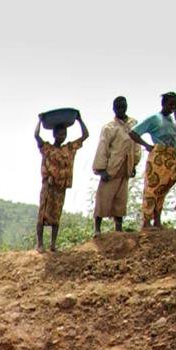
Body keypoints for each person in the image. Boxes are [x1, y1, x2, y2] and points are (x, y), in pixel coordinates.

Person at [35, 117, 90, 251]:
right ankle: (40, 244)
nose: (62, 136)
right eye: (60, 134)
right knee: (43, 214)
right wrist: (40, 121)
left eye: (64, 134)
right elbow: (36, 135)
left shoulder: (69, 148)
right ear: (54, 134)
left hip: (60, 186)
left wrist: (79, 119)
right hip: (49, 185)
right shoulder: (47, 148)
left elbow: (85, 135)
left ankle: (53, 244)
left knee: (56, 215)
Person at [132, 93, 176, 229]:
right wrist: (147, 145)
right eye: (170, 104)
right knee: (152, 187)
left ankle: (157, 220)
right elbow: (133, 132)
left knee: (165, 187)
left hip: (171, 156)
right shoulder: (155, 118)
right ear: (163, 104)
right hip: (158, 156)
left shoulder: (172, 122)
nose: (172, 107)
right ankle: (146, 221)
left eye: (175, 105)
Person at [92, 97, 144, 233]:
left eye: (123, 106)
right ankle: (97, 229)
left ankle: (118, 229)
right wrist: (101, 169)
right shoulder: (109, 127)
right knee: (104, 197)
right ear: (114, 108)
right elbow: (102, 147)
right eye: (118, 106)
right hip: (112, 167)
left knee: (121, 198)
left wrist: (134, 164)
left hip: (126, 165)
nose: (121, 108)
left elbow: (137, 145)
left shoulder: (134, 124)